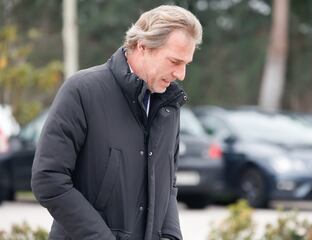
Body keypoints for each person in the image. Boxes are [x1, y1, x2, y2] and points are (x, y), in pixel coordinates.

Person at [31, 5, 202, 240]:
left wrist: (171, 236)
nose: (181, 74)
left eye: (186, 64)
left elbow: (168, 185)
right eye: (174, 61)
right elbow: (48, 179)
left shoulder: (168, 107)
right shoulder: (82, 91)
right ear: (143, 47)